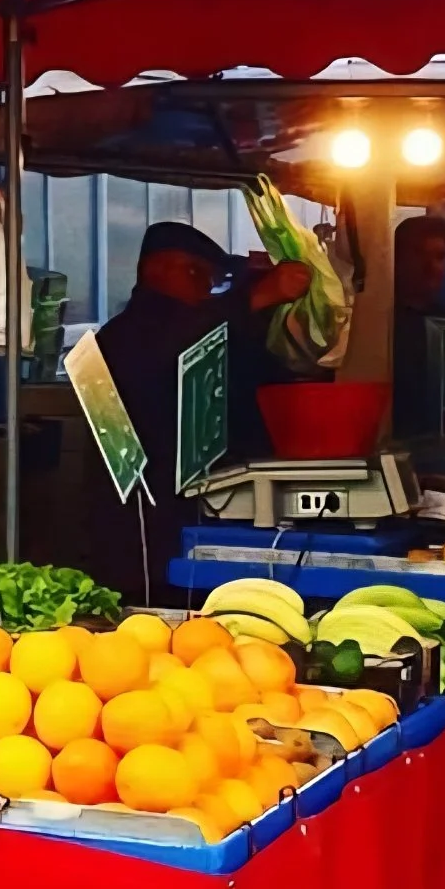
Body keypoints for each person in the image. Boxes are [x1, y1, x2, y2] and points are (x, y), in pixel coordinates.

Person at [88, 222, 310, 603]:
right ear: (154, 270)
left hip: (203, 520)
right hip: (141, 534)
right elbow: (172, 342)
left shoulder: (205, 328)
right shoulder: (125, 335)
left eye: (211, 279)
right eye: (195, 273)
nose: (205, 287)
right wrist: (259, 294)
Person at [391, 212, 445, 435]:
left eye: (439, 256)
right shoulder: (377, 321)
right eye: (419, 254)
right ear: (396, 258)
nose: (431, 267)